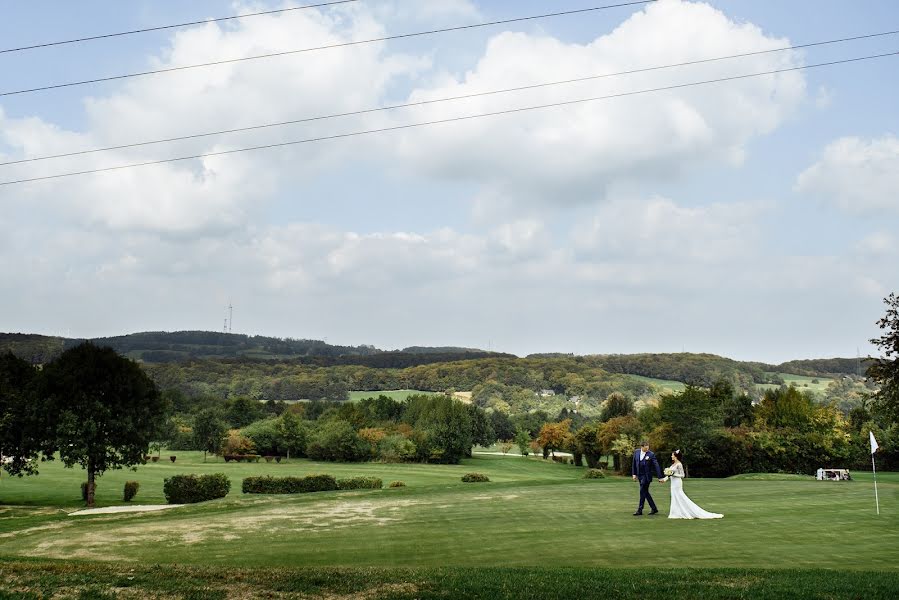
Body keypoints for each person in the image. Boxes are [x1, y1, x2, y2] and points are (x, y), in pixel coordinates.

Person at [663, 449, 723, 519]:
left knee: (680, 496)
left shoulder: (679, 464)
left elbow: (682, 475)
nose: (671, 456)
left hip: (677, 483)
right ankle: (676, 512)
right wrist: (664, 479)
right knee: (674, 497)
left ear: (676, 456)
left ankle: (685, 511)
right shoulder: (673, 464)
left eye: (672, 455)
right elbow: (669, 475)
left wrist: (674, 474)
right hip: (673, 483)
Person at [631, 440, 664, 516]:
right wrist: (634, 474)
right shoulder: (636, 452)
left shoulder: (651, 454)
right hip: (640, 475)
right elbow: (634, 463)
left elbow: (656, 465)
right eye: (646, 448)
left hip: (647, 476)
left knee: (642, 490)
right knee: (645, 492)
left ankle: (640, 510)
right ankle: (654, 508)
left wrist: (659, 477)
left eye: (648, 448)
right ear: (642, 447)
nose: (647, 449)